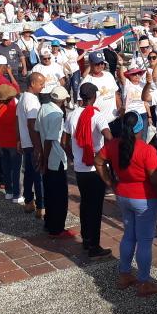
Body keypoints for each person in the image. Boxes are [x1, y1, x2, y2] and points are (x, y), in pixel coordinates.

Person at [96, 110, 157, 297]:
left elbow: (98, 161)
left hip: (123, 195)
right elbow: (156, 181)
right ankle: (144, 282)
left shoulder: (113, 145)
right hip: (145, 198)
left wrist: (109, 182)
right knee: (144, 241)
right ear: (141, 128)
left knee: (129, 235)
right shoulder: (147, 150)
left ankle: (125, 274)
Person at [65, 82, 114, 259]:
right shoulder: (97, 116)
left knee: (86, 204)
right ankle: (94, 246)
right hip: (95, 167)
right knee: (96, 207)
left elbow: (65, 142)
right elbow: (109, 137)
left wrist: (74, 158)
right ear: (93, 97)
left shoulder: (71, 115)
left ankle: (87, 240)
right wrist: (105, 157)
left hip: (80, 167)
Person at [39, 86, 74, 238]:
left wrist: (41, 156)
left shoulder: (43, 107)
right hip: (55, 158)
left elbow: (37, 130)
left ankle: (49, 223)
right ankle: (57, 228)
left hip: (48, 156)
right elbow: (50, 140)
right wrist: (45, 160)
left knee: (49, 192)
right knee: (59, 196)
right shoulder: (57, 114)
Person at [18, 72, 45, 217]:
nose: (43, 87)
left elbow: (18, 120)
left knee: (28, 173)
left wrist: (19, 139)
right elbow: (31, 124)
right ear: (33, 83)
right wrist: (38, 147)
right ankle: (41, 206)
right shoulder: (32, 100)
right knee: (37, 176)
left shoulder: (22, 97)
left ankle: (29, 201)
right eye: (41, 84)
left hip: (25, 141)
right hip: (32, 143)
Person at [0, 84, 22, 202]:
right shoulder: (14, 109)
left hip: (1, 141)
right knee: (16, 169)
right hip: (13, 142)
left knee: (6, 167)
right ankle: (17, 194)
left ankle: (8, 192)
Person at [80, 51, 121, 117]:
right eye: (97, 63)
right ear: (90, 63)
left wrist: (119, 108)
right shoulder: (86, 81)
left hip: (114, 117)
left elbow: (115, 93)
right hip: (97, 121)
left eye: (102, 63)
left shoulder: (109, 75)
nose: (100, 66)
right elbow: (81, 103)